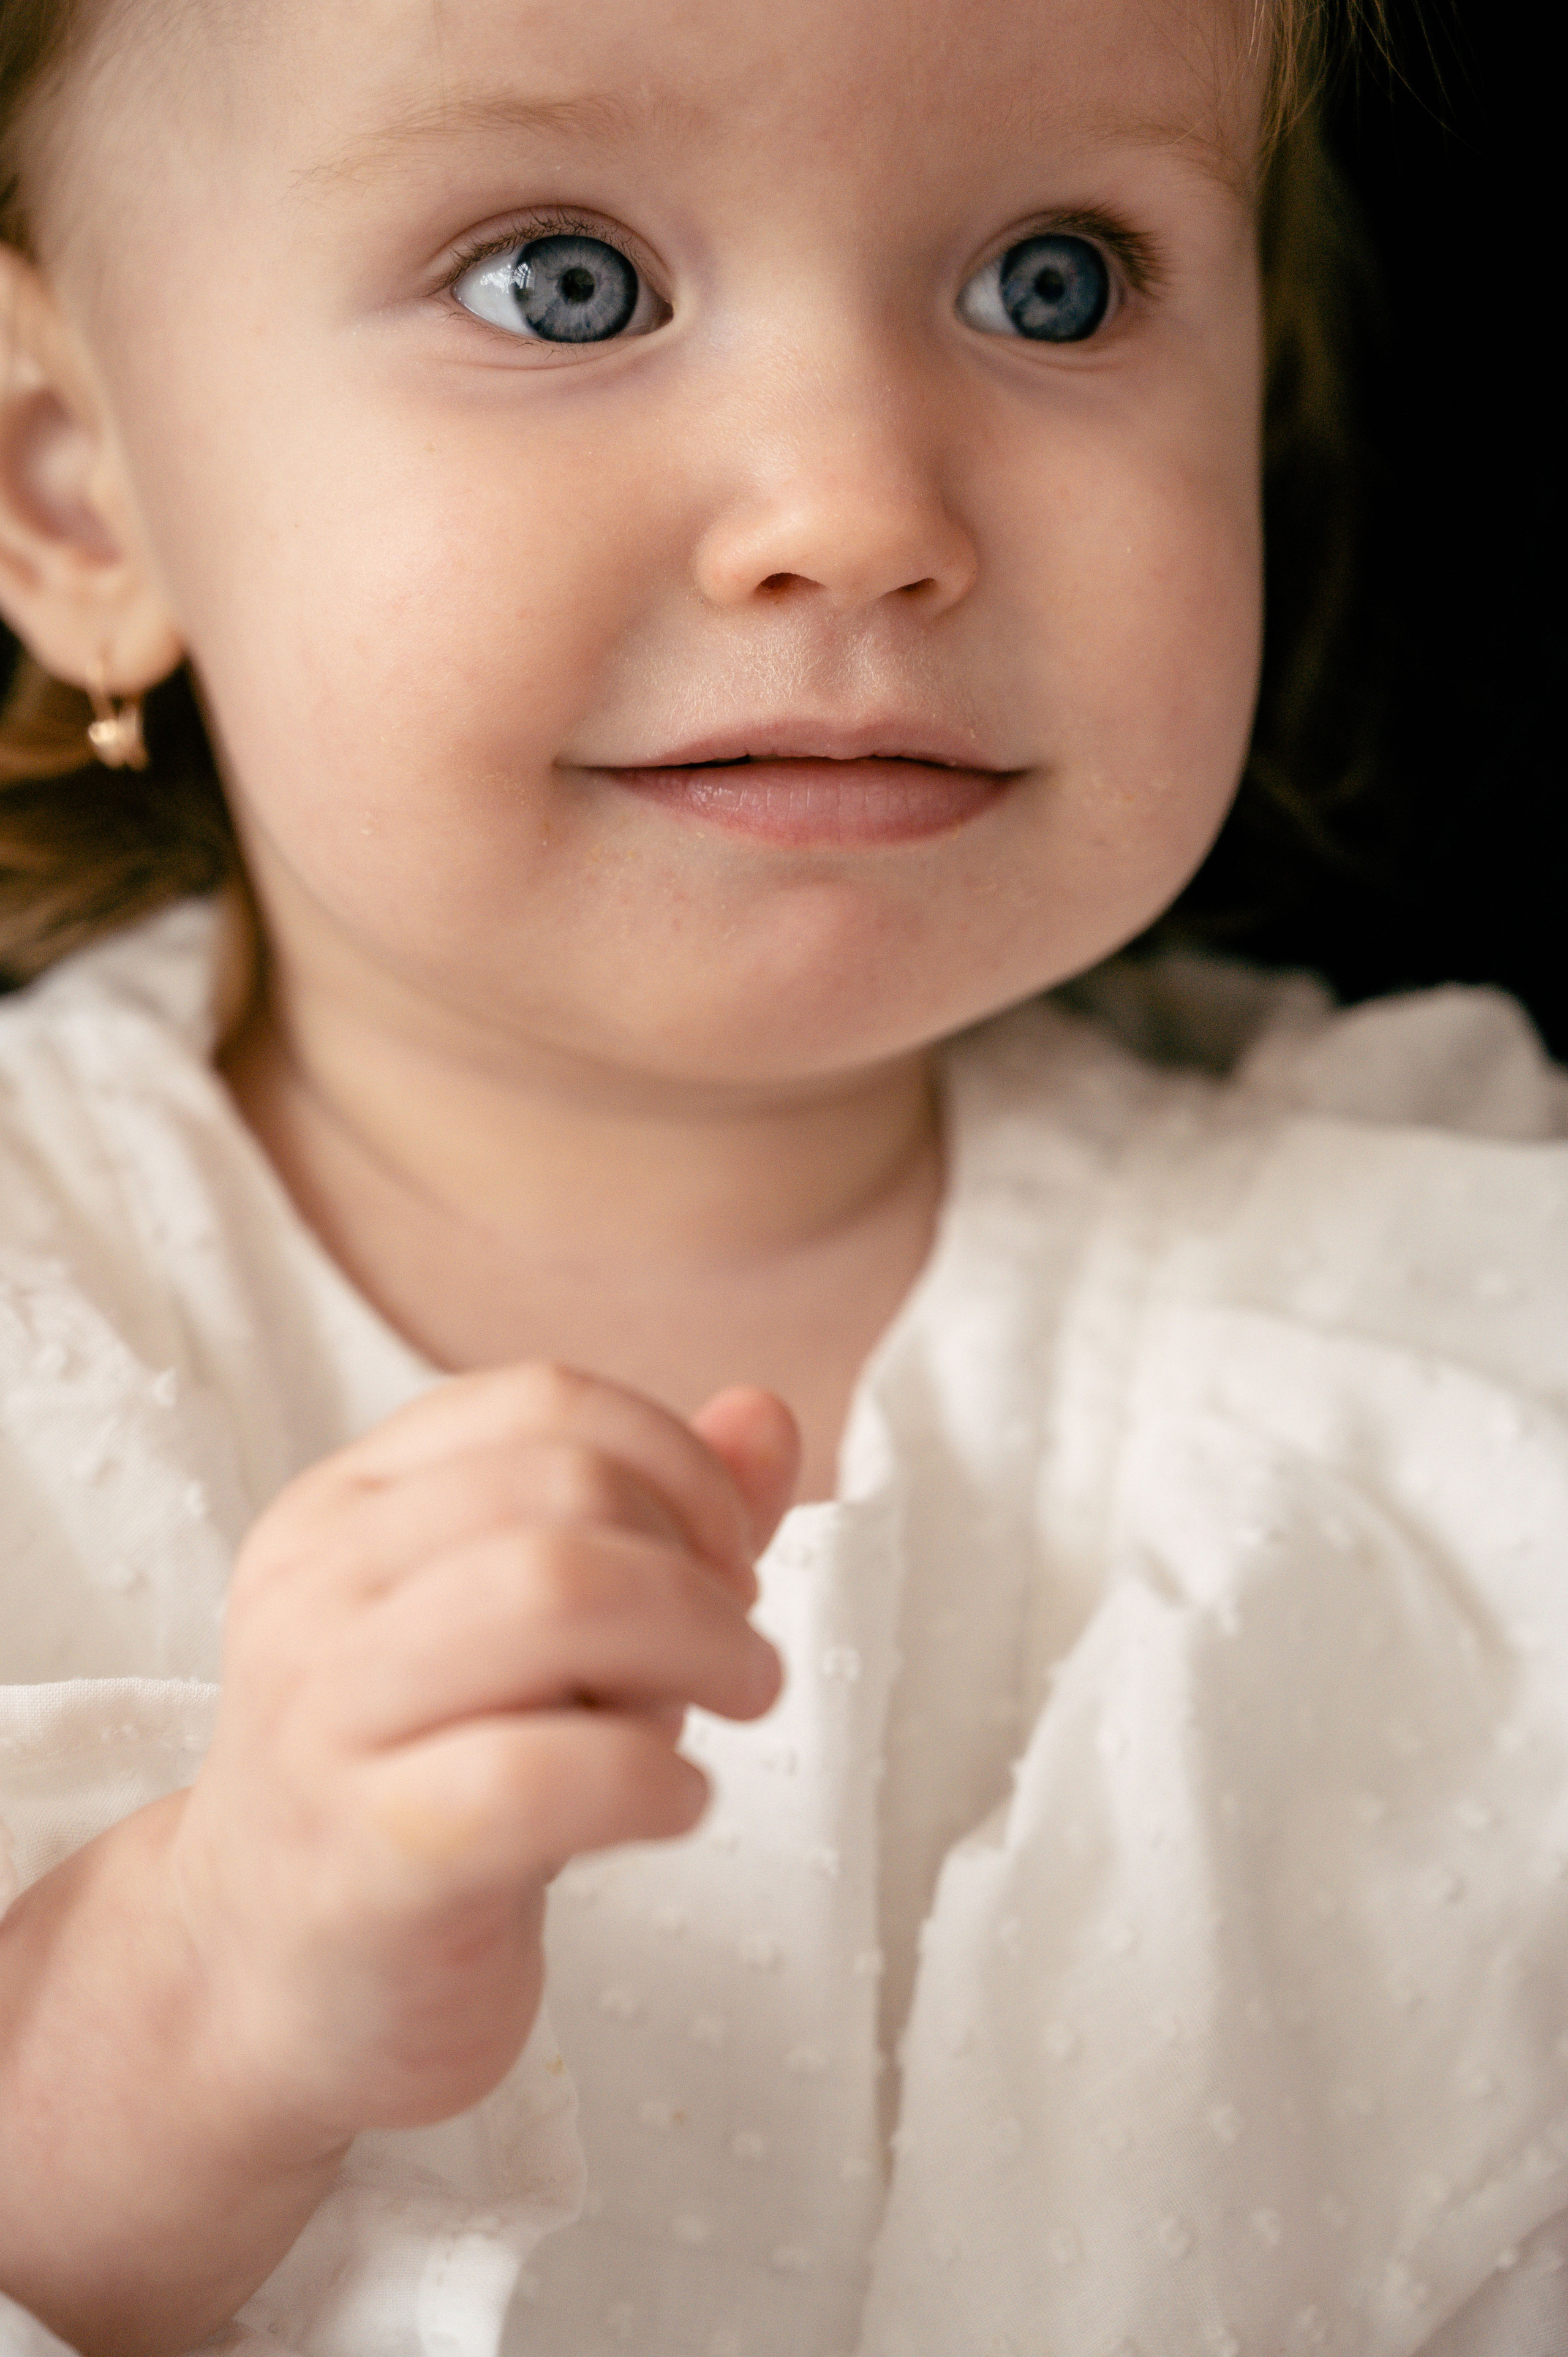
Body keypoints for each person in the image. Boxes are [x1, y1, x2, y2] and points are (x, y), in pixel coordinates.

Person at [1, 0, 1564, 2348]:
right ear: (77, 490)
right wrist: (209, 1983)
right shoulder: (42, 1329)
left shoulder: (1462, 1320)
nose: (863, 507)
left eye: (1060, 279)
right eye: (562, 281)